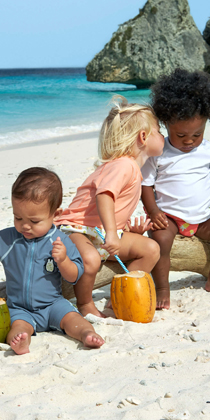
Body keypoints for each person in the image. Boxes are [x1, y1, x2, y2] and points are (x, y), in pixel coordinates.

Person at [0, 167, 104, 355]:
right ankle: (21, 343)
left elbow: (74, 276)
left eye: (34, 221)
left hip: (53, 304)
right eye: (18, 217)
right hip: (19, 308)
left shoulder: (61, 240)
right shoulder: (9, 239)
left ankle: (86, 334)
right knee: (17, 328)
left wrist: (63, 260)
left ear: (55, 215)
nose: (25, 225)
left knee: (73, 318)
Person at [54, 97, 164, 318]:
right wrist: (113, 233)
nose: (163, 136)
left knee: (151, 250)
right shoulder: (124, 164)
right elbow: (105, 196)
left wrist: (126, 231)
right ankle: (85, 304)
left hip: (104, 233)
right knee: (91, 260)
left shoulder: (128, 167)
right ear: (143, 136)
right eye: (159, 130)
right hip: (77, 229)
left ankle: (119, 298)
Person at [141, 69, 210, 309]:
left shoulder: (207, 150)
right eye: (181, 134)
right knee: (160, 241)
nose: (189, 141)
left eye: (197, 134)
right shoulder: (158, 151)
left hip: (204, 217)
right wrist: (153, 211)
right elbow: (146, 185)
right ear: (165, 123)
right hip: (170, 217)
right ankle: (162, 288)